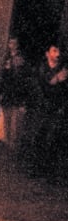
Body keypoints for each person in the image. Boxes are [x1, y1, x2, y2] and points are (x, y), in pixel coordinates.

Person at [26, 44, 68, 180]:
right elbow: (39, 89)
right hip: (40, 110)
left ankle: (48, 171)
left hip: (55, 111)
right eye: (54, 51)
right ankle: (34, 169)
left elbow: (63, 92)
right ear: (47, 54)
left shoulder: (63, 70)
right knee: (37, 138)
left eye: (59, 51)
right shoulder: (40, 69)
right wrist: (55, 80)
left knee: (52, 139)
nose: (57, 54)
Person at [0, 36, 34, 158]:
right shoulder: (7, 58)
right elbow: (3, 77)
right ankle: (7, 146)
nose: (11, 45)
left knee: (15, 124)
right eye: (10, 43)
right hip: (7, 94)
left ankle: (14, 148)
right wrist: (1, 92)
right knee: (6, 122)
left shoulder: (21, 60)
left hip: (17, 95)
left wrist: (24, 99)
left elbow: (24, 80)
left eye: (14, 43)